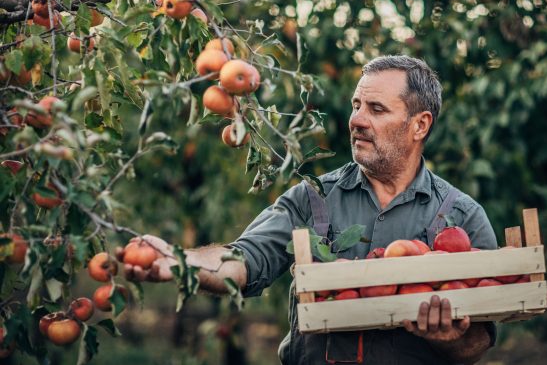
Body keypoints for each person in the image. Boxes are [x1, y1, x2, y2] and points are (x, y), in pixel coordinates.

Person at [120, 55, 498, 364]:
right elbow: (244, 259)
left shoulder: (460, 215)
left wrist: (450, 338)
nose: (357, 120)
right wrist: (180, 262)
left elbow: (478, 344)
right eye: (356, 105)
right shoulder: (313, 197)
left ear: (420, 125)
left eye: (377, 109)